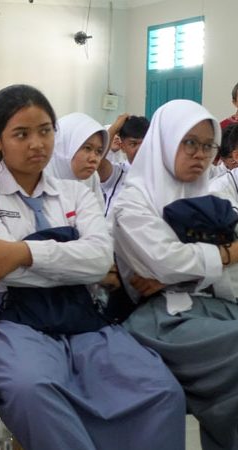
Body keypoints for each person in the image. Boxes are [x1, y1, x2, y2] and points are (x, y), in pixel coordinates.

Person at [0, 84, 186, 450]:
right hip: (2, 317)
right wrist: (70, 258)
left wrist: (24, 253)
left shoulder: (75, 192)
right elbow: (2, 270)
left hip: (77, 314)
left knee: (160, 389)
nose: (37, 144)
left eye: (45, 131)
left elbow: (99, 260)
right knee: (35, 387)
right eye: (21, 134)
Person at [112, 99, 238, 450]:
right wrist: (227, 254)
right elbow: (166, 261)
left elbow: (173, 266)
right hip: (158, 320)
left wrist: (188, 268)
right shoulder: (133, 201)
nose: (200, 154)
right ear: (165, 141)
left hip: (213, 307)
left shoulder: (209, 194)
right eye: (190, 142)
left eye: (208, 145)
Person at [46, 112, 108, 209]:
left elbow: (99, 213)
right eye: (87, 148)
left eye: (99, 151)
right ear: (65, 146)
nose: (94, 159)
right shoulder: (39, 178)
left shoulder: (91, 178)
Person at [98, 115, 150, 216]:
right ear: (122, 147)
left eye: (144, 144)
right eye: (133, 144)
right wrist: (114, 128)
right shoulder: (117, 173)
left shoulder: (158, 174)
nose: (140, 149)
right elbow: (98, 161)